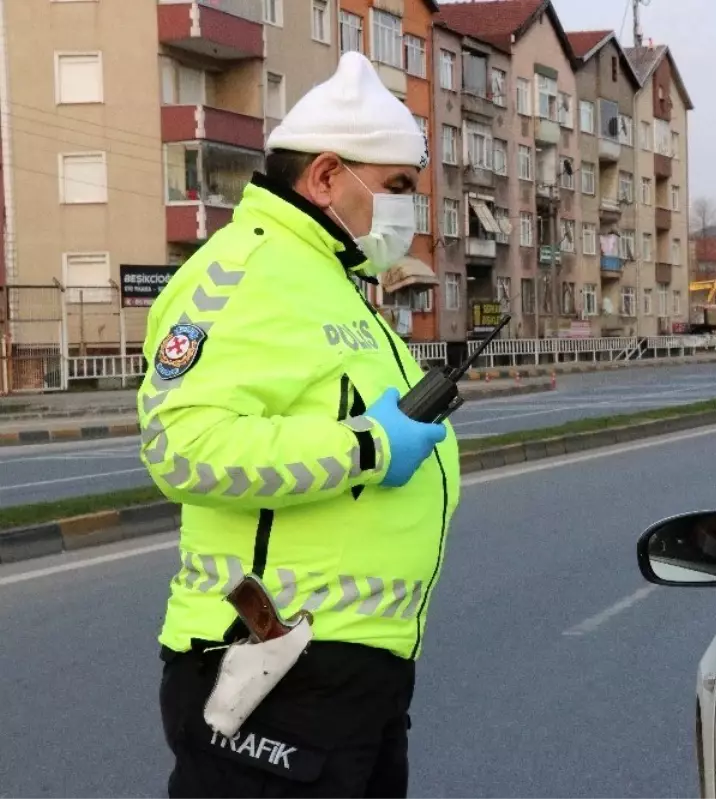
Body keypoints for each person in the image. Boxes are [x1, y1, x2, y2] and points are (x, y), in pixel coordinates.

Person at [138, 52, 459, 798]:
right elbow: (180, 446)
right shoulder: (242, 273)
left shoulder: (331, 279)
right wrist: (371, 445)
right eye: (398, 189)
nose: (408, 210)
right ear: (324, 177)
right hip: (274, 666)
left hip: (351, 672)